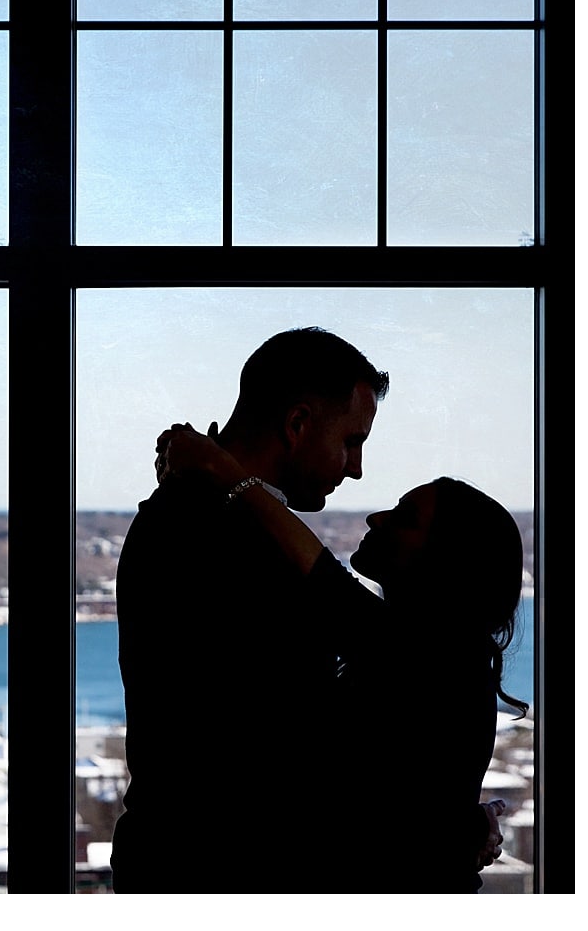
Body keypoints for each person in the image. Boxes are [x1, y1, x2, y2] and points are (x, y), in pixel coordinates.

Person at [156, 422, 526, 892]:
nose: (376, 518)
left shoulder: (437, 660)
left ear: (445, 565)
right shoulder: (442, 660)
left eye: (405, 518)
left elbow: (324, 582)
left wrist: (224, 471)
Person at [110, 327, 389, 892]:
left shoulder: (192, 513)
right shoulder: (228, 533)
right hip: (226, 871)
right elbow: (285, 744)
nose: (355, 468)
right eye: (351, 441)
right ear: (298, 424)